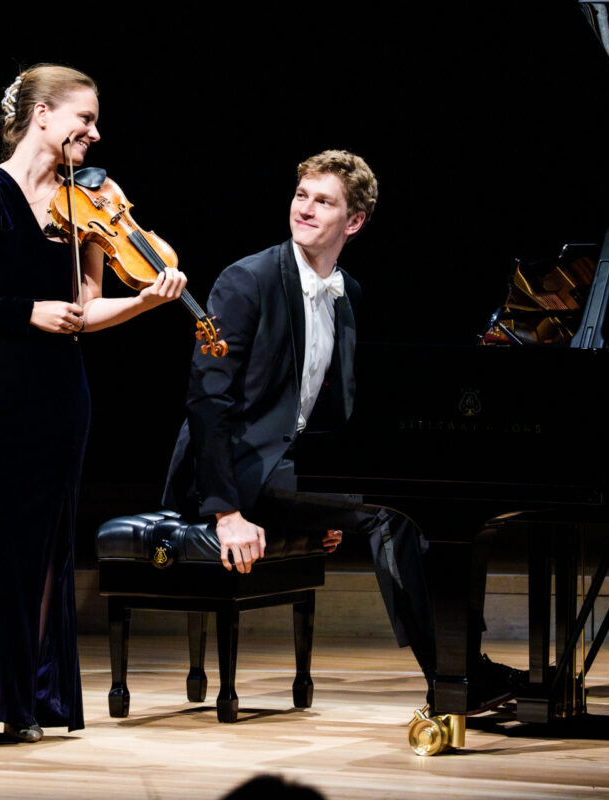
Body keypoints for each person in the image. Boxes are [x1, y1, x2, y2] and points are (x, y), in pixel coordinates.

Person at [163, 150, 522, 713]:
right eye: (301, 195)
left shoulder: (347, 292)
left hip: (289, 468)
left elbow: (336, 410)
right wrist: (226, 511)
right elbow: (207, 402)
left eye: (323, 201)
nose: (305, 208)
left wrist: (331, 496)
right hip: (232, 473)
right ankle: (453, 676)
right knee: (392, 515)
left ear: (353, 222)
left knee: (422, 502)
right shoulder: (247, 279)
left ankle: (464, 662)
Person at [0, 64, 187, 744]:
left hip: (55, 395)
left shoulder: (87, 205)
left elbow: (85, 310)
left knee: (40, 551)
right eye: (85, 118)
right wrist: (24, 311)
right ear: (41, 116)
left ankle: (25, 700)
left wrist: (146, 302)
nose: (94, 133)